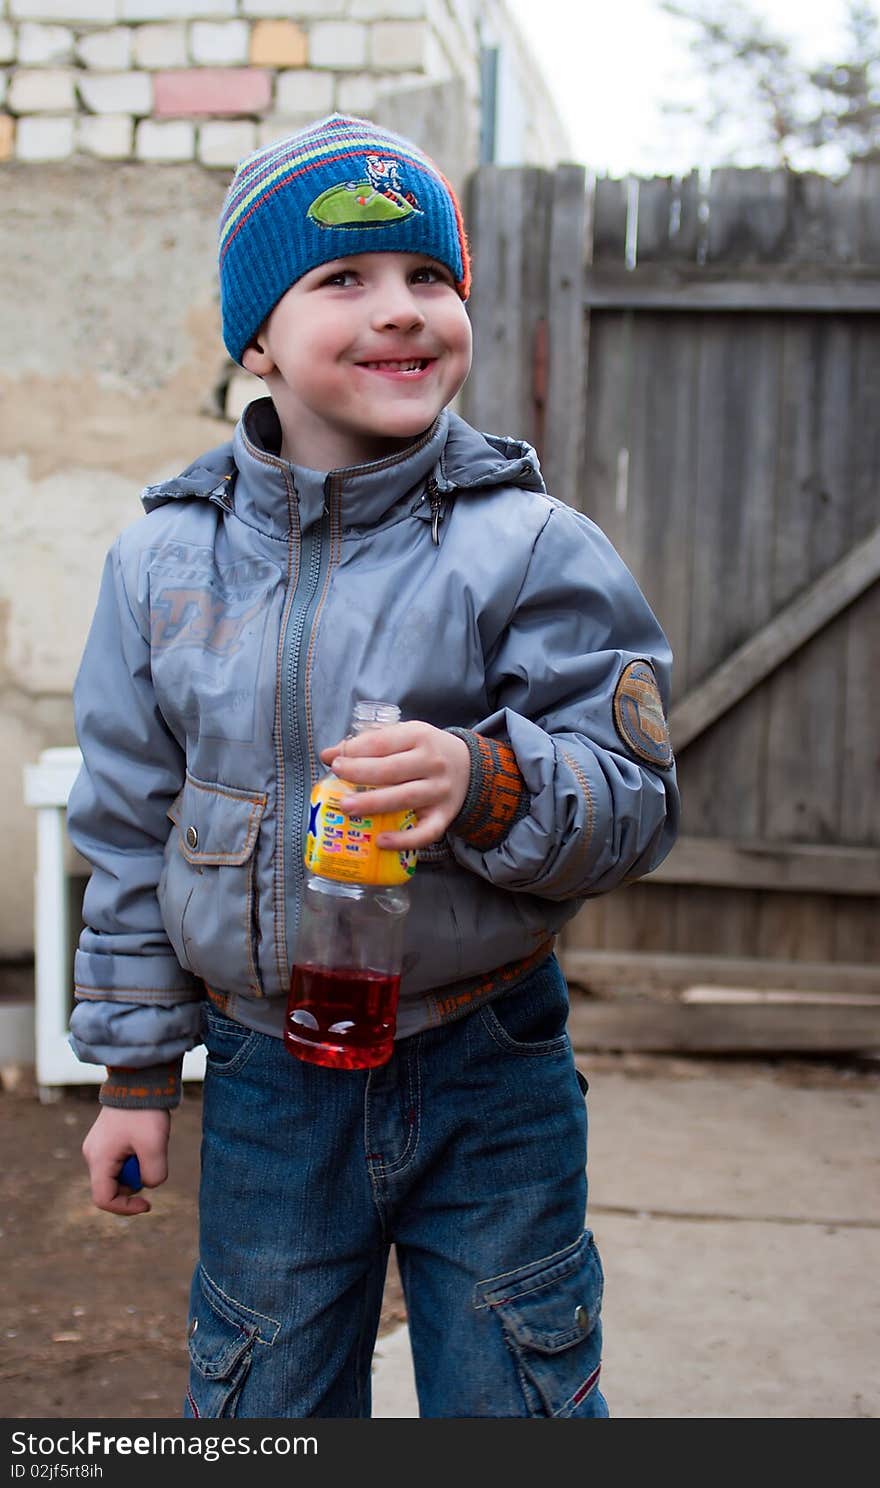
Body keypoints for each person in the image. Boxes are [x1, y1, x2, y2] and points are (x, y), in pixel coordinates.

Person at [70, 113, 680, 1419]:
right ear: (257, 335)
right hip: (268, 1080)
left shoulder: (532, 547)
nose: (401, 311)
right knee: (263, 1394)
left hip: (490, 1062)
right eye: (341, 279)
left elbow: (635, 801)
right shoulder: (163, 567)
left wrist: (486, 783)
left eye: (430, 280)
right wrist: (133, 1078)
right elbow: (128, 832)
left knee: (517, 1388)